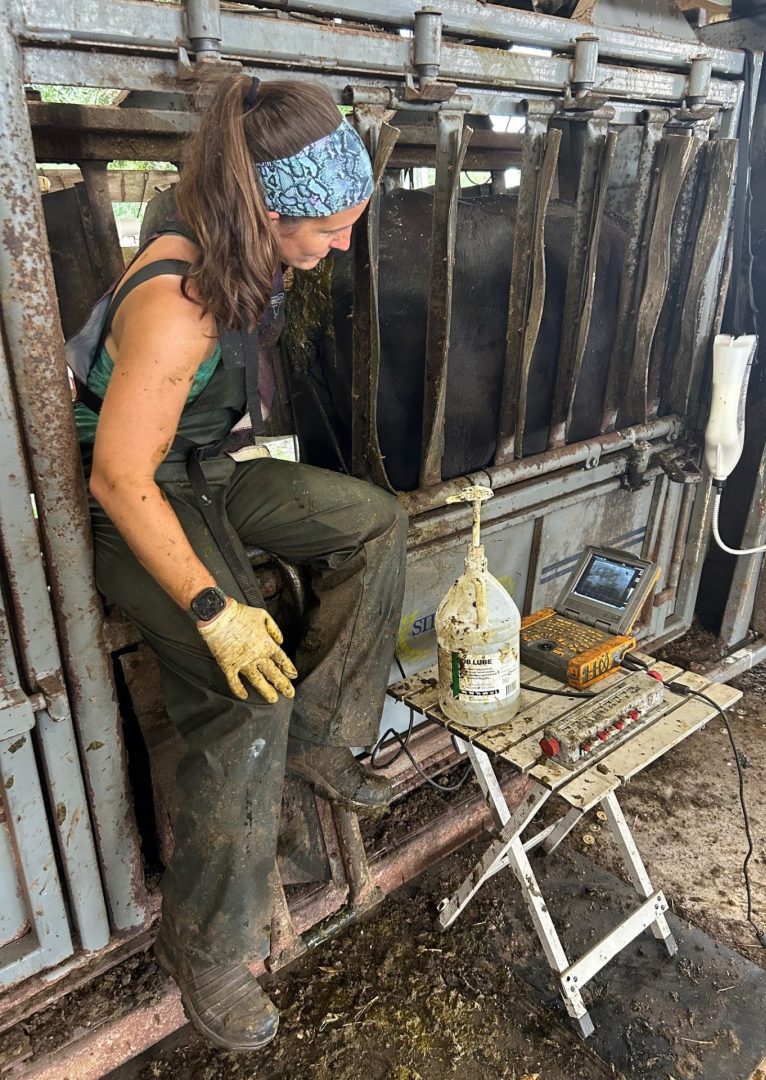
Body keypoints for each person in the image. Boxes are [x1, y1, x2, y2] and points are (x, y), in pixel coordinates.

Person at [74, 75, 408, 1052]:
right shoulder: (175, 303)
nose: (340, 247)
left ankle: (321, 736)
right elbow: (117, 478)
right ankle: (207, 947)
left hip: (208, 470)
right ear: (267, 211)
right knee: (245, 695)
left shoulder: (234, 234)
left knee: (373, 523)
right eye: (329, 230)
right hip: (132, 499)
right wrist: (213, 608)